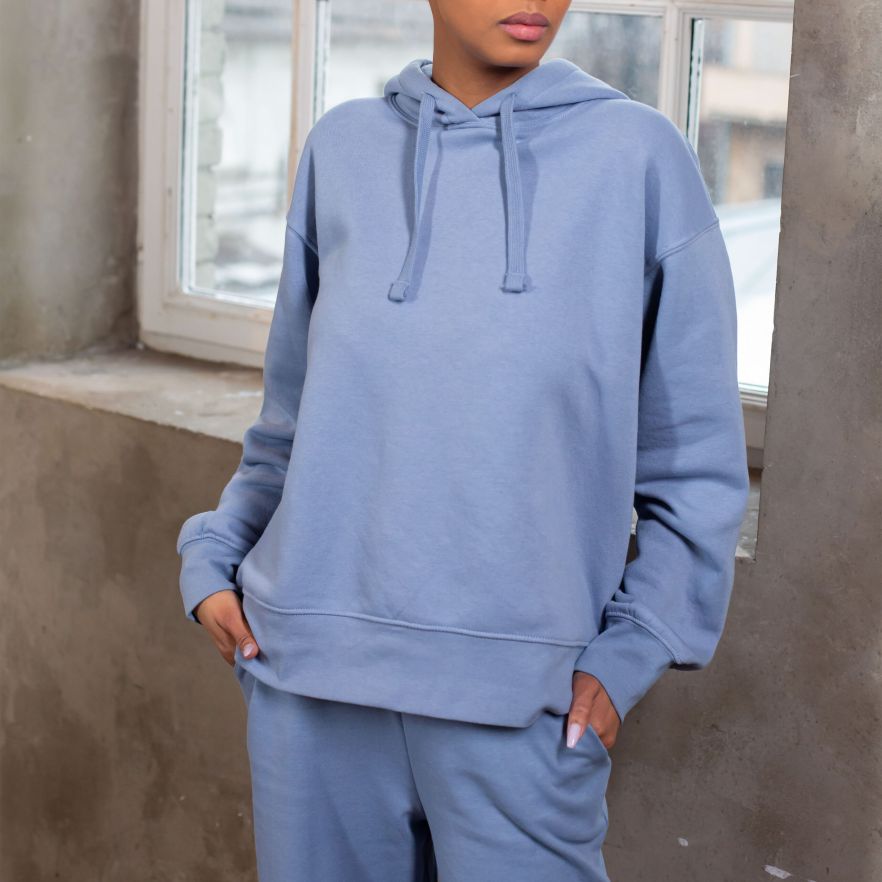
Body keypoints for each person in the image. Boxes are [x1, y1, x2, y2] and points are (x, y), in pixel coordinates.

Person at [175, 1, 750, 879]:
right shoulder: (343, 150)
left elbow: (696, 464)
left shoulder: (638, 160)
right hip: (309, 686)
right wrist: (216, 555)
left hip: (522, 708)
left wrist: (631, 650)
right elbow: (292, 423)